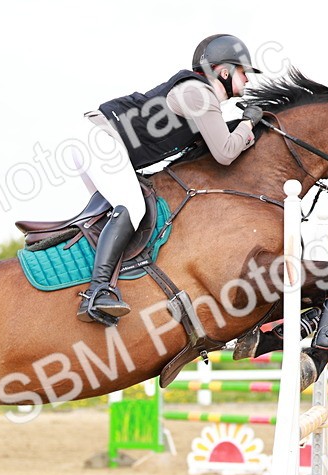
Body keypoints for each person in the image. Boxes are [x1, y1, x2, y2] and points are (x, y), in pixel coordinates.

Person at [75, 34, 265, 325]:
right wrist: (249, 122)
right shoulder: (199, 94)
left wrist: (242, 129)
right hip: (100, 139)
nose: (248, 81)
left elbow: (215, 145)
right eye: (244, 72)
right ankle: (97, 292)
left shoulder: (199, 96)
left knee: (120, 219)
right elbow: (225, 153)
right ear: (224, 72)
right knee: (133, 208)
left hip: (100, 141)